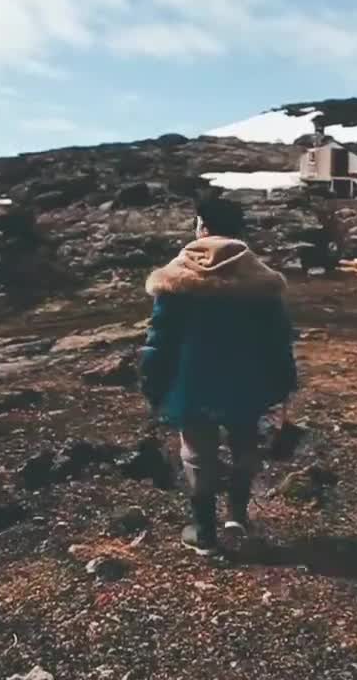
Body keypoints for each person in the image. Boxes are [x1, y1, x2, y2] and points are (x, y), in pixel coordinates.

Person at [139, 197, 298, 556]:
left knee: (197, 454)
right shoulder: (261, 281)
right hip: (249, 384)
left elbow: (159, 342)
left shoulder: (176, 278)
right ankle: (238, 516)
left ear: (202, 227)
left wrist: (152, 385)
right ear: (240, 230)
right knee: (246, 445)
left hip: (192, 385)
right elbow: (279, 339)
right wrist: (284, 384)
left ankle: (205, 532)